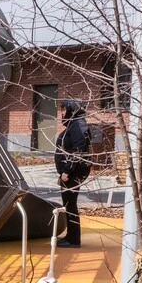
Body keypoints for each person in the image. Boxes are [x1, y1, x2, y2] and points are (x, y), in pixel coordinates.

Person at [54, 100, 92, 247]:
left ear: (72, 110)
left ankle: (73, 239)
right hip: (70, 172)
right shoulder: (74, 125)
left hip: (73, 172)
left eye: (64, 110)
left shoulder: (77, 125)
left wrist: (67, 171)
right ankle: (71, 236)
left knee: (70, 204)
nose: (62, 113)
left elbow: (78, 150)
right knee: (69, 204)